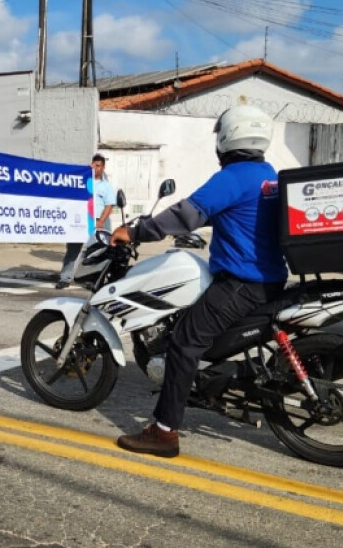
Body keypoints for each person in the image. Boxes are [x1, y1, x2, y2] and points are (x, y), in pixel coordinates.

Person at [110, 105, 289, 458]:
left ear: (227, 137)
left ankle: (164, 432)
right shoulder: (267, 174)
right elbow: (240, 217)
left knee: (185, 340)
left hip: (242, 281)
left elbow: (186, 214)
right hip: (268, 277)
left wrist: (135, 231)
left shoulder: (233, 177)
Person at [57, 153, 116, 289]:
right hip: (80, 219)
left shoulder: (106, 186)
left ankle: (94, 279)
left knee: (97, 251)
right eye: (94, 165)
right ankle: (65, 278)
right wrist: (85, 171)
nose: (96, 168)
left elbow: (109, 205)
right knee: (72, 250)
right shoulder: (82, 181)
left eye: (98, 166)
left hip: (98, 220)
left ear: (103, 167)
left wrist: (101, 221)